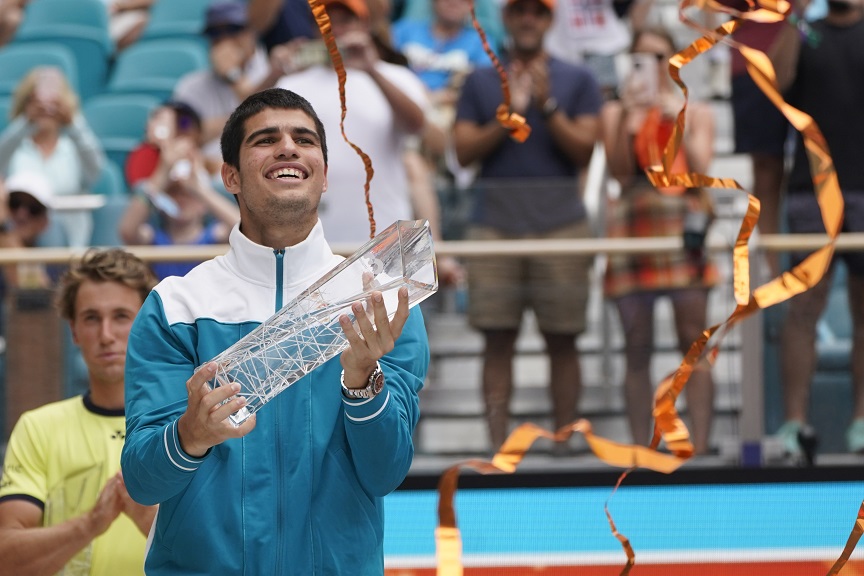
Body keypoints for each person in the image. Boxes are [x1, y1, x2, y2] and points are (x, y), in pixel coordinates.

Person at [120, 88, 429, 574]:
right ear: (230, 177)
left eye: (304, 140)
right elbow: (143, 480)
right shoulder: (177, 306)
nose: (288, 147)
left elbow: (385, 472)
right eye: (266, 139)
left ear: (323, 174)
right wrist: (189, 435)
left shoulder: (381, 302)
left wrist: (362, 384)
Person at [452, 0, 602, 451]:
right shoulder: (480, 82)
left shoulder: (578, 78)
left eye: (537, 12)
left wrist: (547, 105)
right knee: (496, 340)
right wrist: (510, 112)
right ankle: (499, 448)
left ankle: (563, 443)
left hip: (561, 225)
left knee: (564, 339)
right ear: (508, 18)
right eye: (519, 11)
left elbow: (585, 151)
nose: (528, 19)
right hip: (495, 227)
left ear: (549, 19)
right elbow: (461, 152)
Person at [0, 248, 159, 575]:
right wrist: (88, 525)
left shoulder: (190, 428)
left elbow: (238, 557)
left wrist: (156, 525)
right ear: (73, 331)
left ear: (147, 325)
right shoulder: (37, 427)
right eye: (91, 318)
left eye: (120, 316)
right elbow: (6, 559)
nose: (105, 335)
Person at [600, 27, 718, 454]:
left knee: (693, 342)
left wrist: (675, 116)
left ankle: (700, 445)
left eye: (659, 57)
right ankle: (640, 448)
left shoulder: (695, 109)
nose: (651, 67)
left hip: (681, 226)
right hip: (634, 228)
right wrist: (629, 118)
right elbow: (618, 173)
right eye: (641, 58)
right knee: (637, 345)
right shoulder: (616, 112)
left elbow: (700, 169)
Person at [769, 0, 864, 455]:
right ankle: (793, 426)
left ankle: (862, 424)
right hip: (813, 191)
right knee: (803, 310)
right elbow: (777, 82)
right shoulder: (806, 32)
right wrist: (794, 15)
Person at [277, 0, 432, 244]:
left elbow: (417, 126)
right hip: (309, 236)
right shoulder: (291, 85)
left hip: (383, 232)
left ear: (364, 25)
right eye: (325, 21)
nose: (335, 29)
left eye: (345, 20)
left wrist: (371, 70)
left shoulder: (395, 77)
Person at [118, 100, 240, 279]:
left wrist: (199, 190)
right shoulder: (153, 239)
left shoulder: (215, 236)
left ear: (204, 204)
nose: (182, 198)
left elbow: (245, 229)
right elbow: (127, 230)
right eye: (173, 194)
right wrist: (162, 172)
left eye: (189, 194)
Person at [172, 1, 295, 173]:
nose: (224, 39)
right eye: (215, 32)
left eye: (233, 29)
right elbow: (183, 131)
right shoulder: (190, 85)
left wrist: (234, 76)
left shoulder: (276, 73)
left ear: (251, 31)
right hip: (209, 181)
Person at [0, 66, 106, 247]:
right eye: (36, 102)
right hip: (22, 245)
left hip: (70, 244)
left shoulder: (76, 148)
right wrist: (27, 122)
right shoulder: (15, 147)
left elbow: (96, 169)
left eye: (55, 103)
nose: (46, 109)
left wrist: (72, 123)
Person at [0, 171, 57, 291]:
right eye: (15, 203)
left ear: (45, 222)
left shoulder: (55, 261)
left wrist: (8, 237)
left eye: (33, 208)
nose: (22, 214)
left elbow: (35, 297)